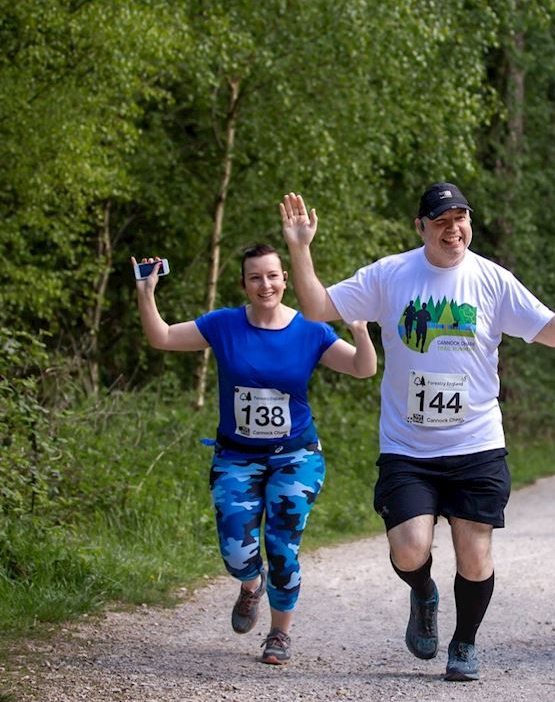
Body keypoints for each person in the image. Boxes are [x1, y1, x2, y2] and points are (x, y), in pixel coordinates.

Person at [279, 184, 555, 681]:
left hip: (475, 444)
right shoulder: (391, 275)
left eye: (460, 219)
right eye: (441, 221)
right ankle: (423, 590)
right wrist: (300, 248)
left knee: (474, 551)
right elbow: (317, 308)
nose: (453, 229)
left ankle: (464, 643)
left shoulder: (491, 279)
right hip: (407, 446)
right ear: (421, 227)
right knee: (409, 549)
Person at [133, 245, 377, 666]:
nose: (265, 285)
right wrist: (146, 290)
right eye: (255, 278)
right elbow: (162, 337)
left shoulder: (310, 330)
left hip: (296, 457)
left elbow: (362, 368)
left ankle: (280, 634)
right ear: (244, 284)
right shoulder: (224, 325)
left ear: (285, 279)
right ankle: (250, 585)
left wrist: (360, 333)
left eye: (273, 276)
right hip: (236, 457)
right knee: (237, 552)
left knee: (282, 547)